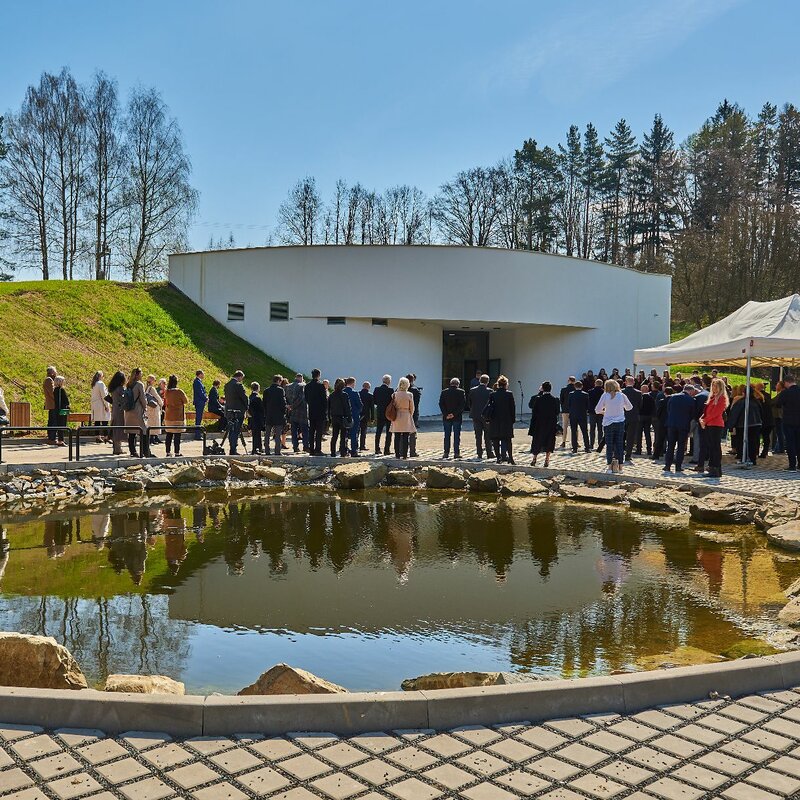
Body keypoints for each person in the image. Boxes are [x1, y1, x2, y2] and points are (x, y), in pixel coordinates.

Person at [595, 379, 633, 474]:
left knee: (609, 445)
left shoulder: (605, 396)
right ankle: (620, 467)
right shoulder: (622, 395)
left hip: (608, 423)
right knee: (619, 445)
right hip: (620, 422)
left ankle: (609, 467)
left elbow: (597, 410)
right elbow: (629, 407)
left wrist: (604, 412)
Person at [698, 377, 729, 478]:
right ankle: (712, 468)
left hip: (716, 424)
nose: (714, 387)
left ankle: (715, 468)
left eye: (716, 386)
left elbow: (716, 413)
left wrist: (705, 420)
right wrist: (701, 419)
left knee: (715, 447)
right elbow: (706, 411)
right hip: (709, 424)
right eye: (713, 385)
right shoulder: (712, 397)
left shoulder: (722, 398)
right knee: (711, 447)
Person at [664, 384, 698, 474]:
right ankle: (678, 466)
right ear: (690, 391)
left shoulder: (673, 397)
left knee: (670, 445)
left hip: (672, 424)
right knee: (681, 446)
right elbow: (692, 414)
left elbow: (668, 409)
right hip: (683, 425)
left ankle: (667, 465)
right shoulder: (691, 400)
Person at [727, 385, 763, 465]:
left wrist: (730, 425)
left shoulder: (741, 402)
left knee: (742, 442)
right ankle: (752, 459)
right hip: (756, 424)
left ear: (744, 392)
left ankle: (743, 457)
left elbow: (734, 414)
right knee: (753, 442)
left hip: (742, 425)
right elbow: (761, 413)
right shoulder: (756, 402)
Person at [528, 381, 559, 467]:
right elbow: (557, 412)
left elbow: (534, 412)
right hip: (550, 424)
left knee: (537, 441)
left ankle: (534, 459)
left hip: (539, 424)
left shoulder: (538, 399)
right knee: (549, 441)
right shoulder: (555, 399)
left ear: (543, 389)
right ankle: (547, 460)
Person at [489, 375, 516, 464]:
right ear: (506, 385)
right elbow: (512, 408)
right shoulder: (509, 394)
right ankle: (511, 458)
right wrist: (512, 420)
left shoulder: (493, 394)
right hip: (506, 420)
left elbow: (489, 407)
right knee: (508, 440)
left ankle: (498, 458)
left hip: (495, 420)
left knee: (496, 440)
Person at [776, 374, 800, 471]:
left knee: (790, 443)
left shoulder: (786, 393)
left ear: (786, 382)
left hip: (788, 421)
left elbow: (778, 404)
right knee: (799, 443)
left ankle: (792, 465)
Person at [124, 368, 149, 457]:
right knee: (144, 431)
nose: (142, 375)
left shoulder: (128, 384)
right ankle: (145, 451)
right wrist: (145, 406)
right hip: (137, 410)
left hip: (128, 411)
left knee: (131, 432)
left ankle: (133, 451)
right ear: (138, 375)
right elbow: (143, 398)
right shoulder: (139, 384)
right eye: (141, 374)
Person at [439, 377, 467, 459]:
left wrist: (446, 414)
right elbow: (462, 405)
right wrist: (454, 414)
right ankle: (456, 453)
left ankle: (446, 452)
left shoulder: (444, 392)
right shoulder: (461, 392)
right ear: (458, 384)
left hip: (446, 417)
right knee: (456, 435)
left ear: (450, 383)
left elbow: (441, 404)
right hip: (457, 417)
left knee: (447, 435)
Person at [469, 374, 495, 460]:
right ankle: (489, 453)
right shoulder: (490, 391)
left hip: (475, 415)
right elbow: (492, 404)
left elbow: (470, 403)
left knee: (478, 435)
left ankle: (479, 453)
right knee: (488, 436)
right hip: (486, 416)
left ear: (479, 380)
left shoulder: (472, 390)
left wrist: (473, 410)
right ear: (487, 382)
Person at [223, 371, 248, 455]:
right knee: (236, 431)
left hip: (229, 411)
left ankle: (232, 448)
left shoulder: (227, 385)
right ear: (240, 377)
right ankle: (233, 449)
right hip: (238, 411)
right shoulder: (238, 385)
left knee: (231, 430)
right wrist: (246, 408)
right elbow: (244, 398)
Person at [163, 375, 188, 457]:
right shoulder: (179, 392)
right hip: (178, 416)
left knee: (169, 434)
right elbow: (186, 401)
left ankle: (167, 452)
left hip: (168, 416)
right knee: (177, 435)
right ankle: (177, 452)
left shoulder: (167, 391)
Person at [391, 377, 416, 459]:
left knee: (397, 436)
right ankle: (404, 454)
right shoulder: (409, 394)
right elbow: (412, 407)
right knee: (405, 436)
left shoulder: (394, 394)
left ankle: (397, 454)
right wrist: (410, 415)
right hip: (406, 414)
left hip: (397, 415)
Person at [305, 369, 328, 456]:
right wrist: (325, 410)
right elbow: (324, 400)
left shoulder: (307, 386)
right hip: (320, 411)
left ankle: (311, 449)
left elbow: (306, 398)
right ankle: (318, 449)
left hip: (311, 410)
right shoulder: (321, 385)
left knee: (311, 430)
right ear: (319, 375)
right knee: (319, 431)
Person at [285, 373, 310, 453]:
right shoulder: (302, 385)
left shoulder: (288, 386)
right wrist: (293, 406)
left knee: (294, 430)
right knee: (305, 430)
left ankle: (295, 446)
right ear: (301, 378)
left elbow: (285, 398)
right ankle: (305, 446)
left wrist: (289, 406)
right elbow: (301, 398)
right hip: (302, 411)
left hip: (292, 412)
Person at [263, 374, 287, 455]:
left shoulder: (266, 390)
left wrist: (266, 413)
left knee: (267, 434)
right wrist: (284, 412)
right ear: (279, 381)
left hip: (269, 415)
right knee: (277, 435)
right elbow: (283, 403)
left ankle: (267, 450)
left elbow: (264, 404)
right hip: (278, 415)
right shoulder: (280, 390)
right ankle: (277, 451)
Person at [328, 378, 352, 457]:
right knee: (343, 436)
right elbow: (347, 407)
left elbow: (328, 407)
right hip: (343, 417)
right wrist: (349, 417)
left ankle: (333, 452)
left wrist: (329, 417)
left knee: (334, 436)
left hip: (334, 417)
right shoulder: (344, 395)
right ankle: (342, 452)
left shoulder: (331, 395)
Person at [622, 376, 642, 463]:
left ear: (625, 382)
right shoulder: (638, 393)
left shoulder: (621, 392)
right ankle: (628, 455)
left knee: (621, 436)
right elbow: (640, 405)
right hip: (633, 416)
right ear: (633, 383)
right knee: (630, 437)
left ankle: (619, 453)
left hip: (622, 416)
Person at [567, 380, 590, 454]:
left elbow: (569, 404)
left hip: (573, 415)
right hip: (582, 415)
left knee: (574, 431)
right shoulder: (585, 394)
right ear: (582, 386)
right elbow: (587, 405)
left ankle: (574, 448)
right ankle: (587, 448)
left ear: (574, 386)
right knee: (584, 432)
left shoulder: (571, 394)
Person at [373, 375, 394, 456]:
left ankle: (377, 449)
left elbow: (374, 401)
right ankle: (386, 450)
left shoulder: (377, 389)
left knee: (378, 431)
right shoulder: (390, 390)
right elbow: (393, 401)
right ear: (389, 381)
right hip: (389, 413)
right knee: (389, 432)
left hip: (380, 412)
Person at [108, 370, 127, 455]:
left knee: (115, 428)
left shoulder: (113, 388)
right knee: (119, 429)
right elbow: (124, 398)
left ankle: (116, 448)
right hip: (120, 410)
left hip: (114, 409)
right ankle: (118, 449)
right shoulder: (120, 388)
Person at [343, 377, 362, 457]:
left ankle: (344, 449)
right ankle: (354, 450)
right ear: (353, 383)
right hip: (354, 415)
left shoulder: (342, 392)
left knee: (344, 434)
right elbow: (360, 405)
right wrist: (358, 411)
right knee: (354, 434)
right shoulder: (355, 393)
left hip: (344, 416)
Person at [90, 371, 111, 443]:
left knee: (97, 421)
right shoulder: (101, 383)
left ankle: (97, 437)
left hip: (95, 404)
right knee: (105, 421)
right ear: (100, 376)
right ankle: (106, 437)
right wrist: (107, 405)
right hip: (101, 404)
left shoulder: (94, 384)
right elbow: (104, 395)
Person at [636, 383, 654, 456]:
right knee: (647, 434)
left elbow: (638, 407)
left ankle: (639, 449)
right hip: (648, 417)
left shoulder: (640, 397)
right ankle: (649, 450)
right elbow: (653, 407)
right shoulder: (651, 398)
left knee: (639, 434)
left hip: (640, 417)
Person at [145, 374, 163, 445]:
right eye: (154, 380)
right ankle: (152, 439)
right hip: (154, 407)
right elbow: (157, 397)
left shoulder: (145, 387)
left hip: (148, 407)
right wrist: (161, 403)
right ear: (152, 381)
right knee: (154, 423)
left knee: (150, 423)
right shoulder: (152, 388)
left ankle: (152, 438)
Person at [558, 377, 576, 448]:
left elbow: (561, 400)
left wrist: (563, 407)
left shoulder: (564, 389)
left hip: (565, 410)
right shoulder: (575, 389)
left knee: (565, 427)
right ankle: (575, 442)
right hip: (574, 410)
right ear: (574, 381)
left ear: (569, 381)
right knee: (574, 427)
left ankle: (563, 442)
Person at [52, 376, 70, 446]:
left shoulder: (54, 390)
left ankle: (60, 439)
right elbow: (66, 400)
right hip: (62, 409)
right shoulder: (61, 390)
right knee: (62, 425)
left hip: (56, 409)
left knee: (58, 425)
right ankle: (61, 440)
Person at [248, 382, 265, 454]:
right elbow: (262, 409)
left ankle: (258, 448)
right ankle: (256, 449)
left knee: (255, 434)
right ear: (258, 388)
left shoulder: (250, 397)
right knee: (257, 435)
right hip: (258, 418)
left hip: (252, 418)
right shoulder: (258, 398)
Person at [587, 379, 604, 450]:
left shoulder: (590, 392)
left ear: (595, 384)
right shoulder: (604, 392)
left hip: (592, 412)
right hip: (601, 412)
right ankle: (600, 444)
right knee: (600, 429)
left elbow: (588, 402)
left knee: (592, 429)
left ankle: (591, 444)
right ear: (602, 384)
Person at [407, 374, 421, 457]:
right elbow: (416, 403)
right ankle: (412, 452)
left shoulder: (398, 390)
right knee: (412, 434)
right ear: (413, 380)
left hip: (402, 415)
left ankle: (402, 450)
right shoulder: (415, 390)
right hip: (413, 414)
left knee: (402, 433)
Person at [358, 381, 375, 452]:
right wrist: (372, 418)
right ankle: (362, 446)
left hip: (358, 414)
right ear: (369, 387)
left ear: (362, 386)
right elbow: (372, 408)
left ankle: (355, 445)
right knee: (363, 432)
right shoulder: (370, 395)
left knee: (356, 431)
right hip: (365, 415)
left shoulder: (358, 393)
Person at [44, 365, 58, 445]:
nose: (56, 373)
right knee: (53, 421)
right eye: (55, 371)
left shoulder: (50, 380)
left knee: (52, 421)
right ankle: (51, 438)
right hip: (52, 404)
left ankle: (51, 437)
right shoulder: (49, 380)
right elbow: (52, 393)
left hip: (52, 404)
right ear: (52, 372)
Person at [192, 370, 208, 440]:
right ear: (200, 374)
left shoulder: (198, 381)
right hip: (199, 402)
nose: (204, 375)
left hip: (200, 402)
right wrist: (206, 398)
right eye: (203, 374)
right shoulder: (197, 382)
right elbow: (200, 392)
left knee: (199, 418)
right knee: (198, 418)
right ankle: (197, 434)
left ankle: (198, 434)